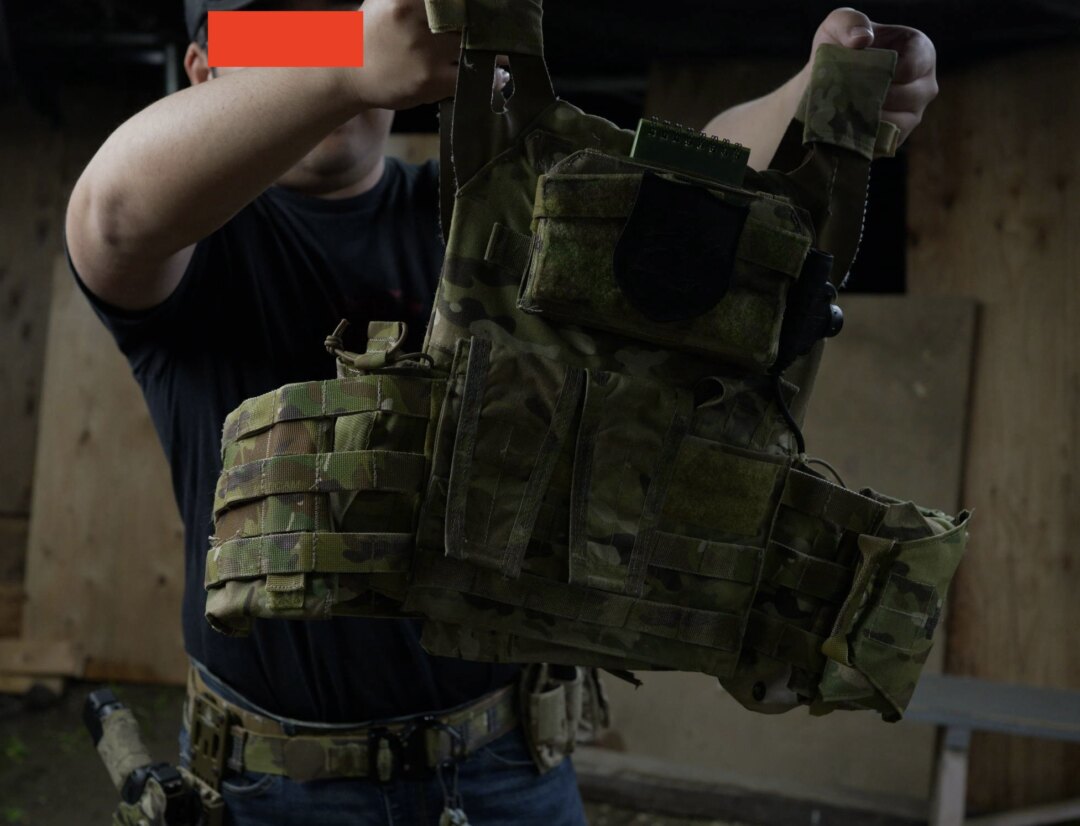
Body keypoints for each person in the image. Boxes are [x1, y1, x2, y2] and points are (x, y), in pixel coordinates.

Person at [63, 1, 939, 823]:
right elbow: (113, 211)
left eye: (342, 8)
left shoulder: (487, 205)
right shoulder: (190, 242)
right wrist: (340, 60)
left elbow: (684, 185)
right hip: (274, 787)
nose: (327, 26)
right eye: (277, 27)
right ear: (202, 69)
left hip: (509, 765)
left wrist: (817, 88)